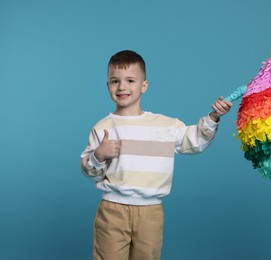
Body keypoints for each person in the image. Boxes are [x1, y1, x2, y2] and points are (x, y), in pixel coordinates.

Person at [80, 50, 232, 260]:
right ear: (108, 86)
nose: (122, 87)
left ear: (144, 86)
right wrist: (99, 154)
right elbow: (89, 171)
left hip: (150, 211)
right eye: (115, 81)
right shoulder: (103, 127)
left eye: (130, 80)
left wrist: (214, 116)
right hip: (112, 211)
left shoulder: (164, 126)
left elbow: (194, 140)